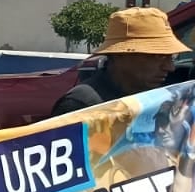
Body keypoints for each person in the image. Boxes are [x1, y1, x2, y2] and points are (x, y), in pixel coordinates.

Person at [52, 6, 186, 116]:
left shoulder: (160, 99)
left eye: (171, 57)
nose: (170, 67)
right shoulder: (81, 105)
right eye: (159, 57)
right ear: (120, 54)